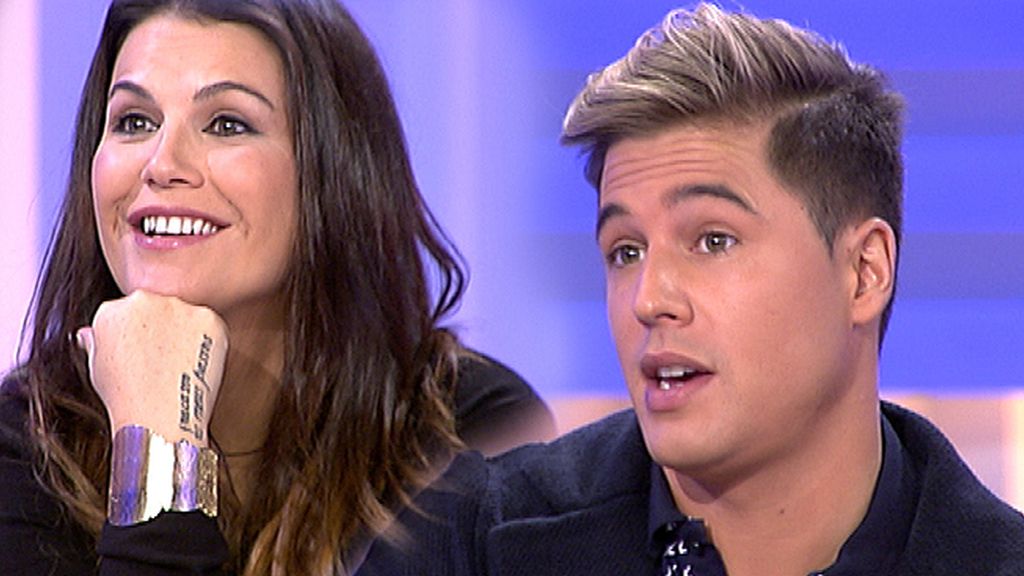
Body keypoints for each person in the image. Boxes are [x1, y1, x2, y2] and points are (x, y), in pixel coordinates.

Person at [357, 4, 1024, 575]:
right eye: (625, 251)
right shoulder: (462, 546)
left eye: (712, 240)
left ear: (864, 272)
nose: (649, 299)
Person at [0, 0, 555, 574]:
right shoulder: (26, 441)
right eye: (135, 122)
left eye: (227, 124)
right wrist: (157, 439)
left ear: (333, 173)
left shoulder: (466, 430)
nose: (161, 164)